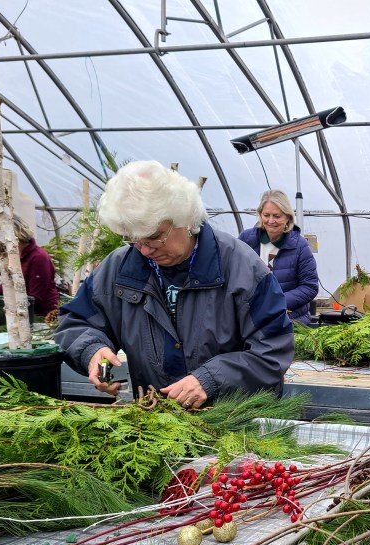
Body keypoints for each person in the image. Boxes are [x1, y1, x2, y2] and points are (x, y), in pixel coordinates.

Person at [55, 160, 294, 408]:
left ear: (185, 221)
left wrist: (211, 380)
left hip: (231, 418)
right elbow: (76, 322)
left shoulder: (242, 268)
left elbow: (272, 352)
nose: (145, 250)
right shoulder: (118, 268)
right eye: (134, 239)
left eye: (154, 237)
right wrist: (92, 350)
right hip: (155, 418)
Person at [238, 189, 319, 325]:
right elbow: (234, 276)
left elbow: (309, 286)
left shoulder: (299, 246)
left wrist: (276, 301)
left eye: (277, 216)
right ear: (260, 214)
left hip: (290, 322)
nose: (271, 221)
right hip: (252, 320)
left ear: (287, 217)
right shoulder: (246, 240)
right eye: (266, 215)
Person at [0, 215, 61, 316]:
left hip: (44, 315)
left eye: (0, 237)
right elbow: (10, 283)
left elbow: (35, 297)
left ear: (14, 234)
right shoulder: (15, 256)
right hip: (26, 313)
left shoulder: (38, 257)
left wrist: (9, 308)